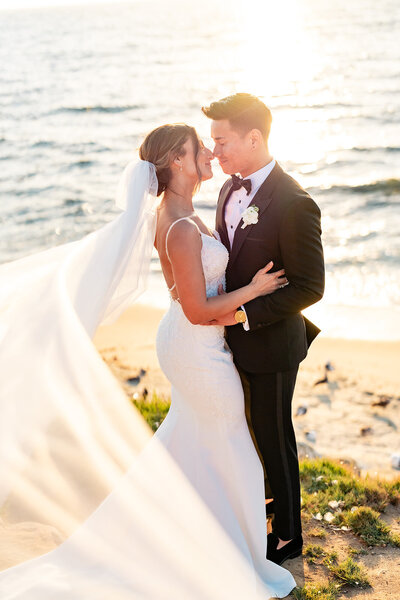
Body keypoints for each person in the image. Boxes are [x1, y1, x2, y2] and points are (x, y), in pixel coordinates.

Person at [0, 123, 296, 599]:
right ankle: (230, 556)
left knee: (195, 445)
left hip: (194, 343)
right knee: (231, 445)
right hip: (195, 347)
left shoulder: (182, 212)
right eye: (194, 146)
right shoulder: (178, 225)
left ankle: (189, 538)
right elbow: (199, 310)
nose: (205, 150)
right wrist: (254, 291)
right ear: (175, 163)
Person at [202, 93, 325, 565]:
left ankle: (289, 536)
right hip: (230, 341)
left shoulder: (295, 202)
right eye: (212, 142)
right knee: (251, 433)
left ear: (254, 138)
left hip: (272, 343)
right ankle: (266, 506)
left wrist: (247, 315)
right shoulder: (226, 191)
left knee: (275, 436)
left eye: (222, 140)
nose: (216, 152)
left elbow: (310, 287)